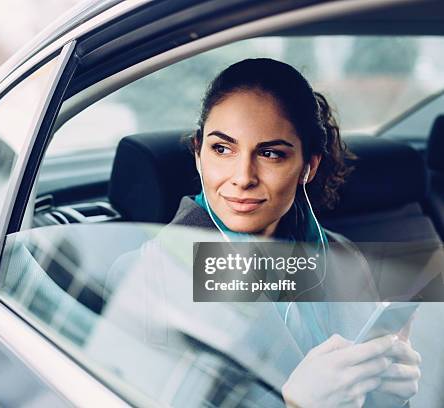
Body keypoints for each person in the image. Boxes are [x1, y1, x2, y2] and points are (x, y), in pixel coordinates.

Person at [167, 58, 421, 407]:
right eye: (222, 149)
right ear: (198, 154)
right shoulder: (153, 274)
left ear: (308, 166)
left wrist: (387, 394)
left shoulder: (341, 255)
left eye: (271, 153)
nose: (243, 177)